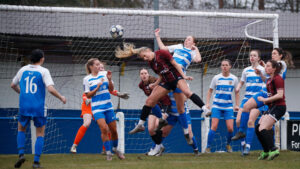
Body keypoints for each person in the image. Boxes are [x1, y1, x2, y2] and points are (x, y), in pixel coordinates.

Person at [115, 43, 208, 144]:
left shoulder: (162, 53)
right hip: (166, 82)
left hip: (176, 78)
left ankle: (204, 109)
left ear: (148, 50)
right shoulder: (151, 63)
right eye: (143, 58)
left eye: (145, 56)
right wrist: (155, 84)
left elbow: (175, 64)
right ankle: (141, 124)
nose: (145, 59)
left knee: (184, 101)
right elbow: (160, 75)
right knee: (149, 101)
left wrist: (184, 77)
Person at [11, 49, 66, 168]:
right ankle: (36, 162)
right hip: (38, 107)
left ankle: (21, 154)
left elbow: (13, 85)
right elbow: (50, 89)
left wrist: (22, 93)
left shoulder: (23, 69)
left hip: (24, 105)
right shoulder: (44, 71)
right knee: (40, 133)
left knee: (21, 129)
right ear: (42, 59)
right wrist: (61, 97)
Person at [235, 48, 293, 155]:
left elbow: (275, 67)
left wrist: (264, 66)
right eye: (271, 53)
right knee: (246, 107)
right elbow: (266, 80)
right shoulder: (269, 70)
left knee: (264, 127)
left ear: (281, 56)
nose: (272, 55)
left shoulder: (282, 64)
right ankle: (241, 132)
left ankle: (271, 148)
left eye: (275, 54)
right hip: (264, 93)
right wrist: (262, 72)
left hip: (273, 98)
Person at [70, 62, 129, 154]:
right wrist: (86, 99)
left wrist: (119, 94)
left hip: (102, 106)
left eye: (102, 68)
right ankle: (74, 145)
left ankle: (105, 150)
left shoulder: (104, 76)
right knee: (87, 123)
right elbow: (86, 93)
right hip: (89, 105)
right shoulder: (89, 79)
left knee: (107, 128)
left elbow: (109, 90)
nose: (101, 69)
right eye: (99, 67)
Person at [83, 58, 124, 161]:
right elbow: (88, 95)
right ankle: (108, 152)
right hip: (97, 108)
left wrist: (109, 80)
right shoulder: (87, 79)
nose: (99, 66)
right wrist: (97, 87)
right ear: (91, 67)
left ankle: (115, 149)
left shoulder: (105, 74)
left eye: (99, 65)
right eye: (96, 65)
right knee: (104, 129)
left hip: (108, 106)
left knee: (114, 130)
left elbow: (111, 89)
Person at [231, 50, 265, 154]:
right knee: (237, 120)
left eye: (254, 55)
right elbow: (242, 81)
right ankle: (243, 144)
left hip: (256, 100)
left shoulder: (263, 69)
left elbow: (266, 81)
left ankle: (248, 147)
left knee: (250, 121)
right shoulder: (246, 70)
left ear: (258, 58)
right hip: (246, 98)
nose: (252, 57)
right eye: (251, 55)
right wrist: (238, 87)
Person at [204, 59, 239, 153]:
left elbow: (237, 92)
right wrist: (207, 103)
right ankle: (208, 147)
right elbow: (210, 90)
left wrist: (237, 104)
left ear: (230, 66)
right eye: (223, 65)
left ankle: (228, 145)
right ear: (221, 67)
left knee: (230, 128)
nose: (224, 67)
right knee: (214, 126)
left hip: (228, 107)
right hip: (216, 106)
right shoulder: (216, 78)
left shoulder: (234, 78)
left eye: (226, 65)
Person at [255, 60, 286, 160]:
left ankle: (274, 149)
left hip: (279, 107)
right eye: (266, 66)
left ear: (274, 69)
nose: (266, 68)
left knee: (262, 128)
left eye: (268, 66)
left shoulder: (278, 78)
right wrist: (265, 104)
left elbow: (280, 95)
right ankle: (266, 151)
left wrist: (264, 100)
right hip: (272, 107)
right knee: (258, 128)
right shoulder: (269, 80)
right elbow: (270, 97)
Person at [137, 68, 172, 156]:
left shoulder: (155, 81)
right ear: (140, 76)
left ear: (148, 74)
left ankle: (156, 149)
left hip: (165, 105)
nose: (144, 75)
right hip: (154, 106)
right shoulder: (141, 85)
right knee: (150, 129)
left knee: (158, 125)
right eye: (142, 73)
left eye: (145, 73)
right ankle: (160, 146)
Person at [158, 92, 200, 156]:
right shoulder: (167, 85)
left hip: (183, 112)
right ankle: (155, 149)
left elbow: (185, 98)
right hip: (171, 113)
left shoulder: (183, 84)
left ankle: (196, 150)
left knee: (189, 133)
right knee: (164, 132)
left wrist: (178, 95)